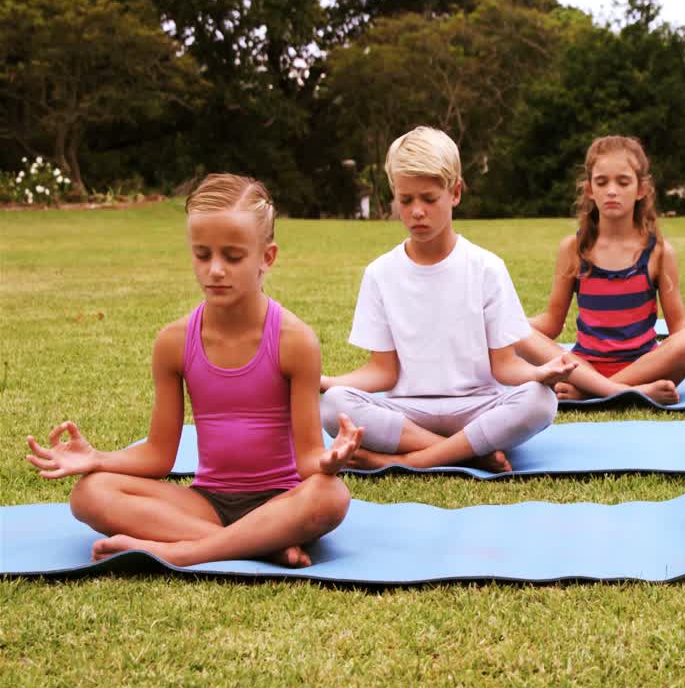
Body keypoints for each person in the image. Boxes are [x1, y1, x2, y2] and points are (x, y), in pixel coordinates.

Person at [25, 174, 360, 568]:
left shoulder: (296, 341)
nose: (215, 270)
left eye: (232, 257)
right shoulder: (173, 342)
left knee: (331, 495)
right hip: (206, 503)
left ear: (266, 258)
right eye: (203, 255)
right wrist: (97, 458)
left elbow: (308, 462)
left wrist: (328, 462)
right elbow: (158, 455)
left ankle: (185, 550)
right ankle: (262, 545)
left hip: (282, 500)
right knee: (89, 494)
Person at [319, 127, 574, 473]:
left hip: (478, 407)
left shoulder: (486, 268)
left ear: (454, 193)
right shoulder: (380, 273)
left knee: (541, 401)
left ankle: (404, 461)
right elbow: (382, 371)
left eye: (428, 198)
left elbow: (505, 366)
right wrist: (325, 383)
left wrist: (539, 372)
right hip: (408, 414)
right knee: (333, 406)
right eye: (406, 200)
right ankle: (467, 452)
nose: (417, 212)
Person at [518, 135, 685, 403]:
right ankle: (623, 392)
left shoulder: (659, 252)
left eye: (623, 181)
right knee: (517, 334)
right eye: (602, 182)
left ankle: (593, 391)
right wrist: (508, 323)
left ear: (641, 189)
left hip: (644, 367)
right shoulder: (573, 248)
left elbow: (678, 329)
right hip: (584, 367)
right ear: (589, 190)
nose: (611, 190)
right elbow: (552, 324)